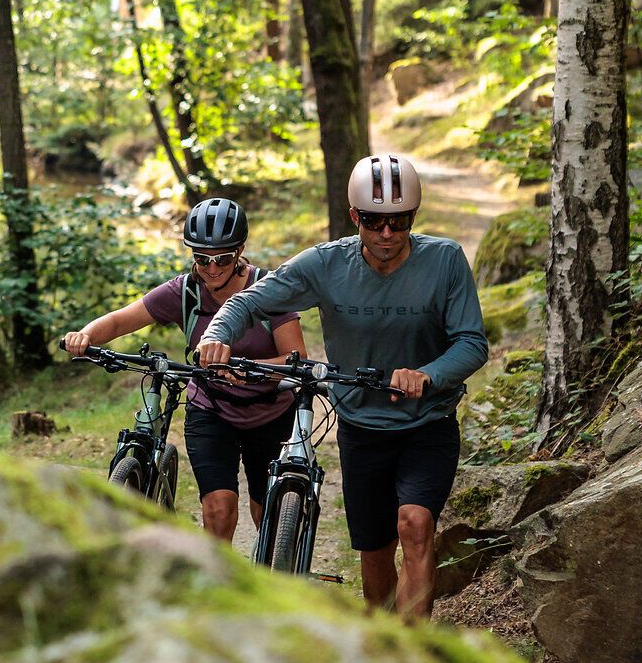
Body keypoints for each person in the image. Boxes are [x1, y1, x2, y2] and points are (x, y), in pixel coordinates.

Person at [195, 154, 488, 621]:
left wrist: (428, 375)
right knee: (374, 562)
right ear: (356, 217)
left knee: (416, 526)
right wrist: (216, 335)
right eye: (374, 221)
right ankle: (381, 639)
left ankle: (414, 656)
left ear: (414, 217)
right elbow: (250, 301)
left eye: (399, 221)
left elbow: (472, 342)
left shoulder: (445, 261)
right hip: (361, 428)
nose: (387, 234)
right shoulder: (326, 264)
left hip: (427, 424)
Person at [63, 198, 307, 544]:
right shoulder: (186, 292)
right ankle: (212, 592)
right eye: (201, 258)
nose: (211, 268)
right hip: (211, 409)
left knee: (264, 511)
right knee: (219, 509)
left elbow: (297, 359)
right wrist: (85, 335)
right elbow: (122, 319)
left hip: (269, 413)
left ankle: (269, 581)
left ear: (239, 251)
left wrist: (251, 369)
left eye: (222, 258)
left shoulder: (269, 290)